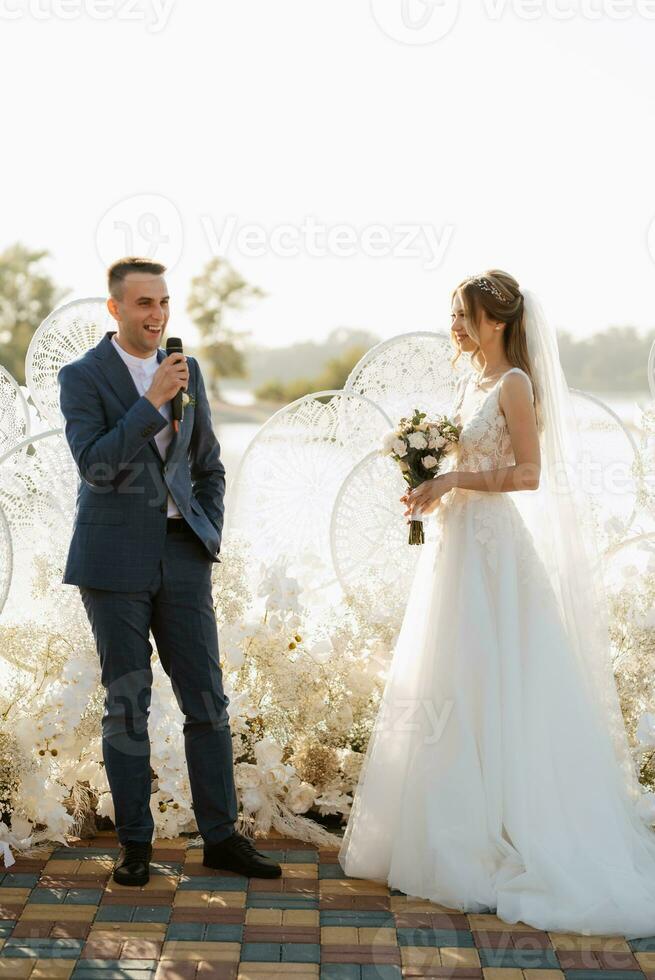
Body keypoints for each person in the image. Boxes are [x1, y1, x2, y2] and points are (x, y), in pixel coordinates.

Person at [338, 270, 655, 938]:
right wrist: (427, 478)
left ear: (495, 320)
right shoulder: (473, 383)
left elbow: (528, 475)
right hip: (454, 548)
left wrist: (453, 474)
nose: (453, 325)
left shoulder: (512, 384)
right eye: (454, 314)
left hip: (492, 552)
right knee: (450, 681)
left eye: (462, 315)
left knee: (494, 678)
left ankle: (507, 831)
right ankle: (446, 829)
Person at [58, 256, 281, 885]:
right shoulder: (82, 377)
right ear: (115, 309)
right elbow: (96, 467)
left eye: (163, 303)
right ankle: (134, 847)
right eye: (143, 304)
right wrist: (152, 403)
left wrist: (204, 529)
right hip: (111, 562)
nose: (157, 316)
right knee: (127, 707)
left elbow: (208, 463)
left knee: (207, 701)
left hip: (183, 556)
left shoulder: (189, 371)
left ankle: (221, 838)